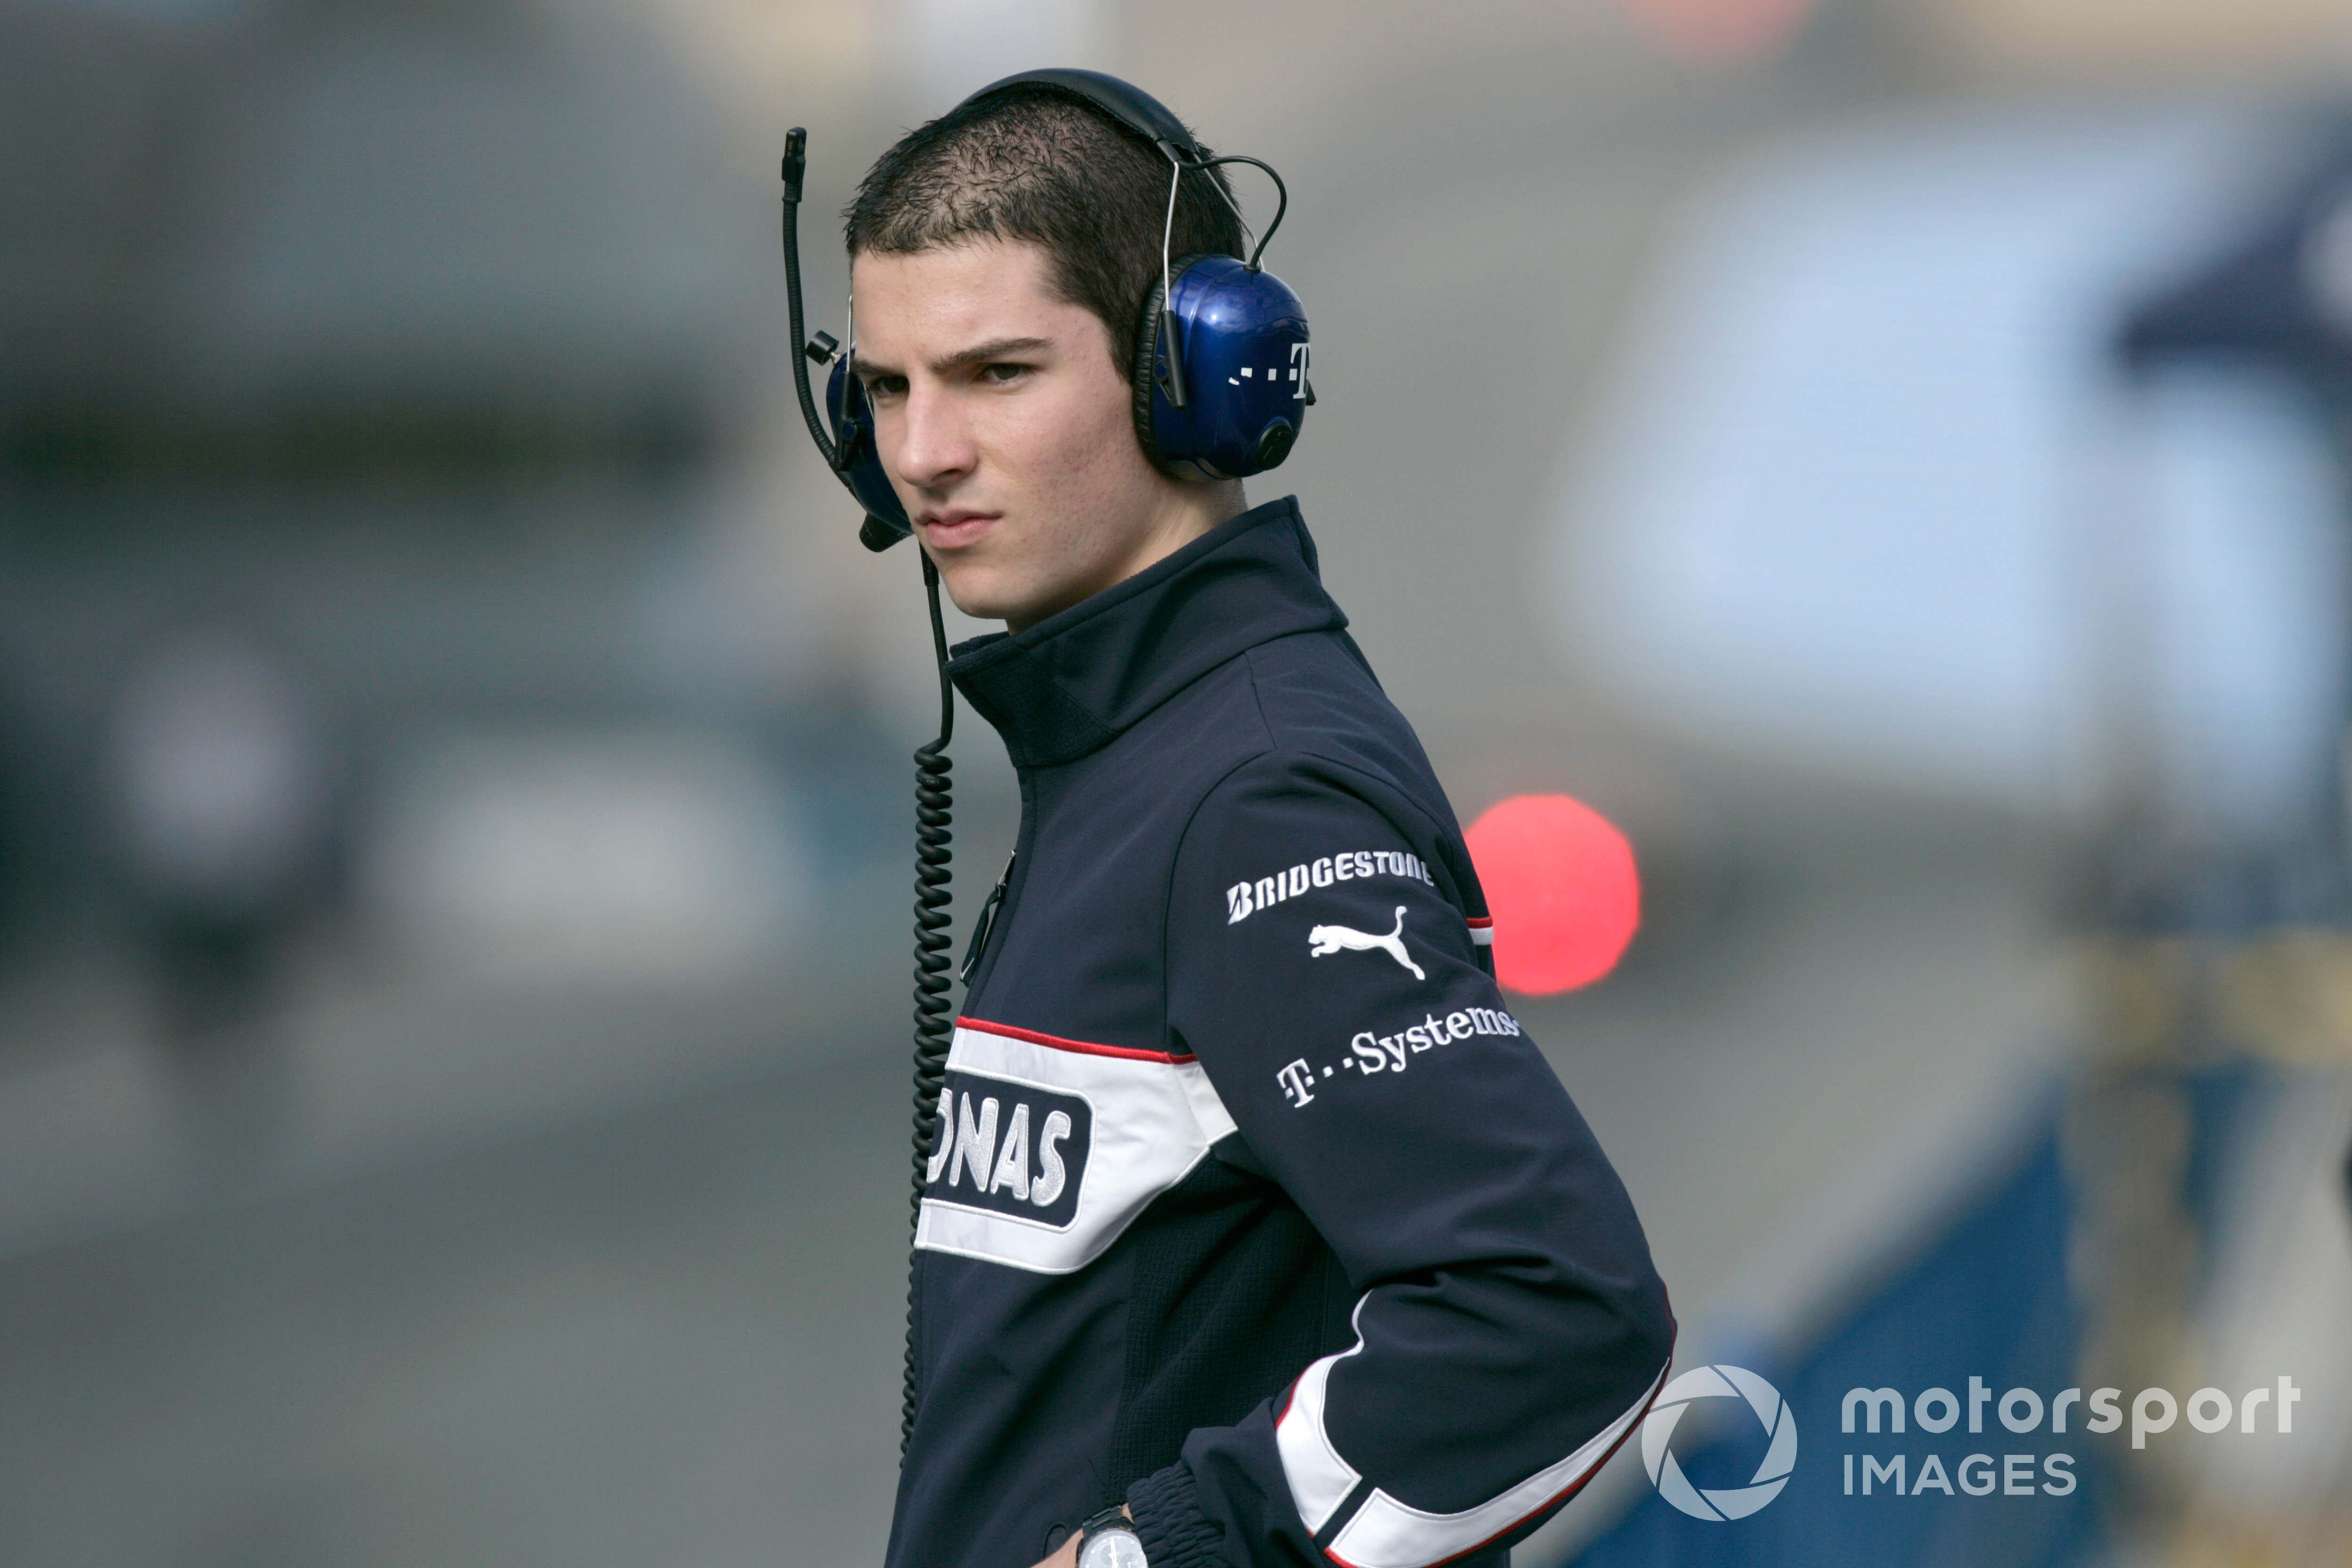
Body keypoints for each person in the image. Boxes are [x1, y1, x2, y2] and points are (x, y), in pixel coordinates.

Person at [840, 75, 1675, 1568]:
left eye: (997, 373)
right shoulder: (1135, 757)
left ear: (1198, 380)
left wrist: (1156, 1556)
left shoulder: (1255, 794)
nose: (922, 454)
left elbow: (1555, 1313)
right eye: (889, 390)